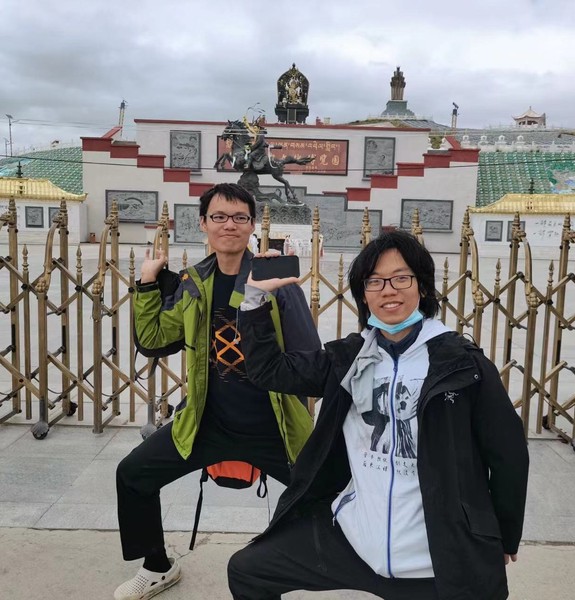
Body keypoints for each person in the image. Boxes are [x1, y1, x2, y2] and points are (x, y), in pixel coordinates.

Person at [228, 230, 529, 600]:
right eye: (374, 281)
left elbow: (509, 454)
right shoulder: (348, 359)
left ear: (422, 286)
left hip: (435, 558)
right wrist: (254, 298)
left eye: (401, 278)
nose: (388, 291)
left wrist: (503, 535)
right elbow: (269, 371)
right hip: (354, 541)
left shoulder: (463, 366)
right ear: (363, 295)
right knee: (248, 570)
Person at [113, 183, 320, 600]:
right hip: (206, 422)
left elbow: (309, 360)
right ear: (203, 223)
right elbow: (153, 339)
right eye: (219, 217)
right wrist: (147, 282)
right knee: (132, 475)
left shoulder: (273, 278)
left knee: (329, 495)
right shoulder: (193, 282)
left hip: (273, 426)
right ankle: (157, 566)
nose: (230, 225)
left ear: (252, 225)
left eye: (240, 217)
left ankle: (337, 569)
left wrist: (278, 302)